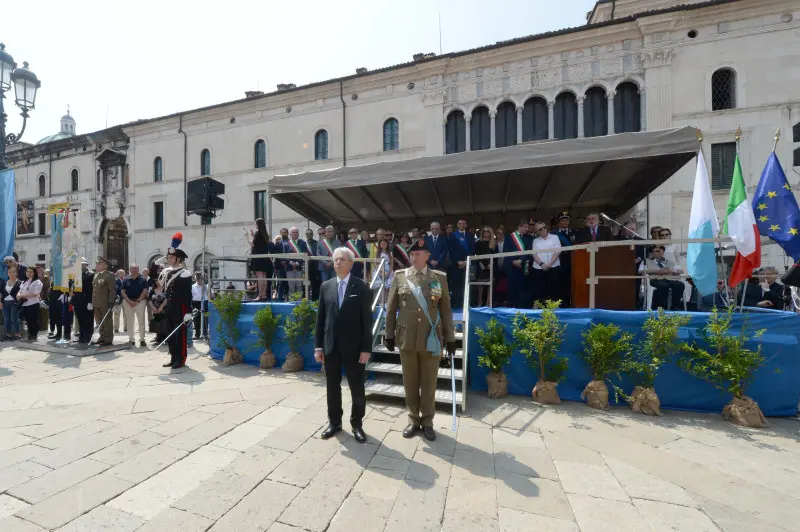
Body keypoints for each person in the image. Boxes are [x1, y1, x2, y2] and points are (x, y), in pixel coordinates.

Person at [384, 238, 456, 441]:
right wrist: (388, 334)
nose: (414, 257)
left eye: (418, 254)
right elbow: (391, 310)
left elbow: (446, 311)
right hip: (406, 338)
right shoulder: (400, 276)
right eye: (412, 254)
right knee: (410, 381)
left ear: (427, 256)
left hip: (431, 338)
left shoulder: (439, 278)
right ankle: (413, 419)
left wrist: (450, 338)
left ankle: (428, 421)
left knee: (429, 382)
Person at [314, 247, 372, 443]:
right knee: (332, 386)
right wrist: (318, 347)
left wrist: (366, 349)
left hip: (355, 349)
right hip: (331, 347)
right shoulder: (326, 286)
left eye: (342, 259)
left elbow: (367, 321)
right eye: (336, 259)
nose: (337, 262)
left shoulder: (361, 286)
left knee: (357, 388)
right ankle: (334, 422)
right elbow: (320, 320)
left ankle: (357, 425)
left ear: (350, 263)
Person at [161, 236, 193, 369]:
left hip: (180, 308)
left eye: (170, 257)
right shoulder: (168, 272)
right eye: (168, 257)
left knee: (180, 336)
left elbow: (187, 295)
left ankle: (181, 359)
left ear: (178, 259)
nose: (168, 259)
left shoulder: (185, 273)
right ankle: (173, 357)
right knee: (170, 334)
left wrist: (188, 312)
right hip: (169, 308)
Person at [639, 245, 685, 310]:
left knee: (680, 285)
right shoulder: (646, 261)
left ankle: (674, 306)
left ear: (662, 252)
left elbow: (681, 271)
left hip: (669, 279)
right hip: (655, 279)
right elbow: (640, 271)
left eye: (657, 251)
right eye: (653, 251)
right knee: (663, 285)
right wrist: (656, 271)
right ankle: (662, 307)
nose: (655, 253)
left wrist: (673, 271)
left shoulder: (669, 262)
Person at [504, 219, 534, 309]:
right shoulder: (509, 237)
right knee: (511, 286)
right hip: (511, 266)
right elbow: (506, 251)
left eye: (527, 227)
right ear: (520, 226)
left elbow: (529, 252)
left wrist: (521, 261)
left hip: (523, 266)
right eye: (525, 227)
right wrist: (513, 262)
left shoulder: (529, 238)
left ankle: (520, 306)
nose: (527, 229)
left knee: (522, 287)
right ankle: (510, 304)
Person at [531, 222, 562, 305]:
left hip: (554, 266)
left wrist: (549, 264)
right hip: (539, 267)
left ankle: (554, 306)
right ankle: (539, 305)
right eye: (540, 229)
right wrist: (542, 264)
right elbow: (534, 254)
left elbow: (558, 251)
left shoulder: (554, 237)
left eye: (544, 227)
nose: (543, 229)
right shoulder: (535, 240)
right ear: (537, 232)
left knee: (554, 287)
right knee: (539, 288)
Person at [448, 218, 474, 309]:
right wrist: (458, 261)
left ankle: (466, 303)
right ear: (457, 225)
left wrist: (467, 261)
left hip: (467, 263)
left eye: (463, 223)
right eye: (460, 223)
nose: (462, 225)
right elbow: (451, 250)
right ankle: (455, 304)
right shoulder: (453, 235)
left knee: (466, 284)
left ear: (466, 225)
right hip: (456, 264)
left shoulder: (470, 236)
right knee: (456, 285)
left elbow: (472, 249)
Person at [91, 258, 117, 346]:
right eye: (97, 263)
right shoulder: (97, 275)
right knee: (99, 321)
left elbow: (112, 290)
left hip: (105, 302)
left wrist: (111, 301)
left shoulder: (109, 275)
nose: (97, 264)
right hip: (96, 302)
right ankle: (102, 337)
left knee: (107, 321)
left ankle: (108, 339)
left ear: (105, 265)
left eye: (99, 263)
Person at [246, 218, 273, 301]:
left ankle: (260, 295)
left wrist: (247, 237)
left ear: (257, 224)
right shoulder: (264, 233)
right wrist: (253, 235)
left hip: (258, 257)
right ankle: (264, 294)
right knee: (264, 276)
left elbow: (253, 244)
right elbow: (260, 243)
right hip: (264, 257)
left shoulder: (259, 233)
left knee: (259, 276)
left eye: (255, 223)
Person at [122, 263, 149, 347]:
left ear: (138, 269)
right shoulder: (126, 279)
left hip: (140, 302)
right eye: (132, 268)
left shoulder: (143, 279)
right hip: (128, 302)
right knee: (130, 321)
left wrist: (138, 301)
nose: (134, 269)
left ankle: (142, 339)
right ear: (130, 270)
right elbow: (122, 291)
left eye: (135, 268)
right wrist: (128, 301)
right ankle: (131, 339)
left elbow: (144, 291)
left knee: (141, 321)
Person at [283, 227, 309, 298]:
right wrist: (291, 262)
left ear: (298, 233)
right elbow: (284, 255)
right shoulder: (286, 243)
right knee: (291, 286)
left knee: (299, 285)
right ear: (290, 234)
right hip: (289, 268)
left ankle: (299, 302)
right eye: (293, 232)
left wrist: (297, 263)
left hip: (299, 267)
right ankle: (292, 302)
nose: (295, 234)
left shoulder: (303, 243)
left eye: (296, 232)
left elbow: (305, 254)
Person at [18, 266, 43, 340]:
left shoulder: (37, 282)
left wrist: (22, 295)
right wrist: (18, 295)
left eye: (30, 272)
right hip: (25, 304)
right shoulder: (24, 281)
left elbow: (35, 293)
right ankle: (30, 333)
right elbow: (20, 291)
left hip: (33, 304)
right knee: (28, 321)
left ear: (34, 273)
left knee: (33, 320)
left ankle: (34, 334)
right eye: (27, 272)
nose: (28, 273)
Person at [474, 227, 497, 307]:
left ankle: (488, 303)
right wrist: (481, 264)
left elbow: (496, 256)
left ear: (490, 233)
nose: (486, 233)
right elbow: (476, 254)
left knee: (490, 285)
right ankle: (480, 303)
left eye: (488, 231)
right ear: (482, 233)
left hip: (491, 265)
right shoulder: (478, 243)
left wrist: (491, 264)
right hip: (481, 266)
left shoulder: (494, 243)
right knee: (480, 285)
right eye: (484, 231)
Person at [1, 263, 22, 340]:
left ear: (16, 273)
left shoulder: (20, 282)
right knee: (6, 319)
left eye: (13, 271)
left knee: (14, 319)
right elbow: (1, 293)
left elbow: (21, 293)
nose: (11, 273)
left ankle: (17, 333)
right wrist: (0, 302)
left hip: (15, 303)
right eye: (9, 272)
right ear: (7, 273)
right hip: (5, 303)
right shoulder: (4, 282)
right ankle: (8, 334)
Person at [191, 272, 210, 340]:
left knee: (205, 318)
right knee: (196, 319)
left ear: (203, 279)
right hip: (196, 303)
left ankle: (205, 334)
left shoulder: (207, 286)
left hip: (205, 303)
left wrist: (206, 291)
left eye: (200, 278)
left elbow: (212, 296)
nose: (199, 280)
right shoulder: (193, 287)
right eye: (197, 278)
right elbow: (191, 296)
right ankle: (197, 334)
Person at [149, 280, 168, 345]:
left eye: (160, 279)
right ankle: (159, 339)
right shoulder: (153, 289)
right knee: (157, 324)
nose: (158, 281)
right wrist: (153, 308)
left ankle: (166, 339)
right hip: (155, 310)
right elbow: (149, 300)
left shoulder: (166, 289)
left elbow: (167, 298)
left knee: (165, 324)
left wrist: (161, 307)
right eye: (157, 280)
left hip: (164, 309)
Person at [306, 228, 321, 301]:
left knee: (315, 285)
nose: (309, 235)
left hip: (315, 266)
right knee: (305, 285)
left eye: (310, 233)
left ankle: (314, 301)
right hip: (306, 267)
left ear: (313, 234)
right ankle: (306, 300)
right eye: (307, 234)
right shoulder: (303, 243)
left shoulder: (317, 243)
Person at [113, 269, 128, 334]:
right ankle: (116, 328)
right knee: (116, 314)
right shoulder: (115, 281)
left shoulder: (127, 280)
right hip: (118, 300)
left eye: (123, 273)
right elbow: (114, 290)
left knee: (126, 314)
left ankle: (126, 327)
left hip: (126, 300)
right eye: (120, 273)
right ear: (118, 274)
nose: (122, 275)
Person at [36, 263, 50, 334]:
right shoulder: (35, 277)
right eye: (37, 268)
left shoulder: (45, 277)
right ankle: (38, 327)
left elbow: (46, 289)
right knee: (37, 314)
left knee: (44, 313)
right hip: (35, 298)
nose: (37, 269)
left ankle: (44, 328)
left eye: (39, 268)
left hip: (43, 298)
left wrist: (46, 298)